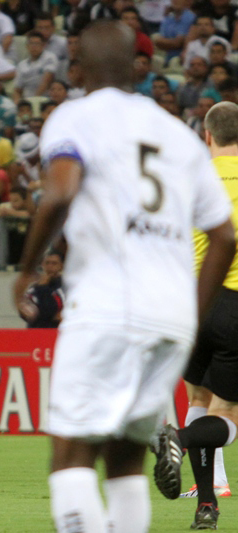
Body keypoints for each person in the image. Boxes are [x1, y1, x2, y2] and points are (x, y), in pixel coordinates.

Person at [11, 21, 236, 533]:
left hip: (108, 307)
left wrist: (25, 271)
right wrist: (192, 314)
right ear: (140, 66)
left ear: (79, 68)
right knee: (125, 460)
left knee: (71, 456)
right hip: (172, 316)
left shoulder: (74, 115)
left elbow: (62, 192)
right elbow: (223, 237)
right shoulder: (176, 134)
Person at [151, 102, 238, 529]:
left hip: (190, 304)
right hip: (235, 304)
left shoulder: (188, 179)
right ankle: (178, 441)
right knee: (228, 416)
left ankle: (207, 506)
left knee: (199, 401)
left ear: (208, 136)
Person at [18, 252, 64, 328]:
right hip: (36, 330)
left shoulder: (65, 287)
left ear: (61, 266)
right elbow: (25, 311)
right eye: (47, 263)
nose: (50, 266)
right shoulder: (34, 288)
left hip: (57, 330)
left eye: (54, 263)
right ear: (42, 265)